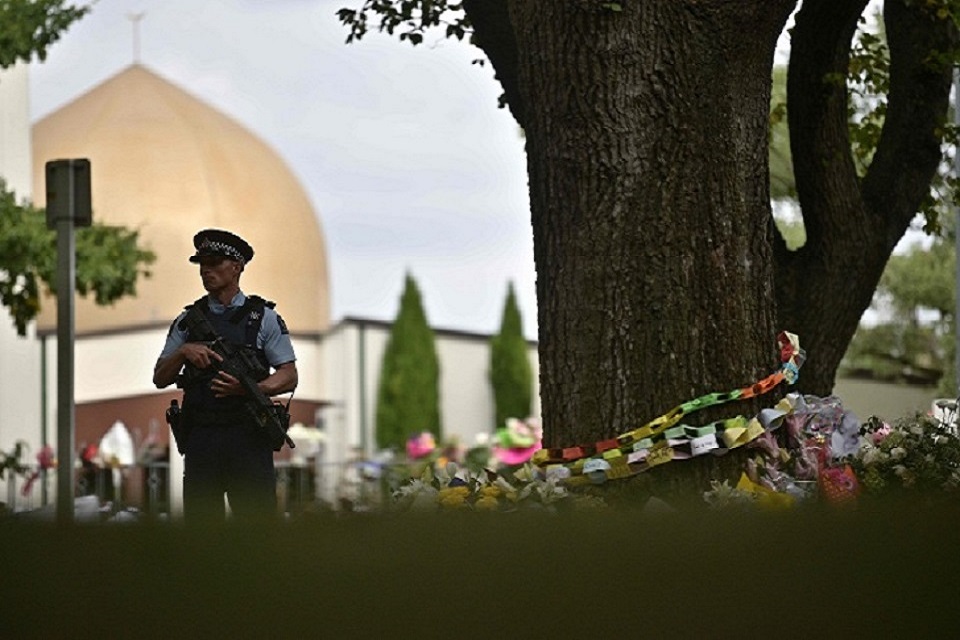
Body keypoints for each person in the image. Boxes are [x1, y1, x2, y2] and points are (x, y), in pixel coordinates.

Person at [153, 228, 298, 522]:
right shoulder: (187, 321)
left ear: (236, 266)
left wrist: (250, 389)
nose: (205, 270)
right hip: (202, 438)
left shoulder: (263, 318)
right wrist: (184, 352)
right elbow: (160, 377)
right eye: (202, 264)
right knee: (202, 531)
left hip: (248, 437)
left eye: (214, 263)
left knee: (257, 527)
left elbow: (289, 375)